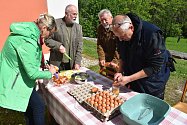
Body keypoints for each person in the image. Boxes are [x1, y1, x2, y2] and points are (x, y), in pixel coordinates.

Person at [0, 13, 57, 125]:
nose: (49, 36)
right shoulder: (28, 40)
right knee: (39, 107)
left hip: (18, 75)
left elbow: (29, 58)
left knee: (30, 108)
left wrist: (43, 64)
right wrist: (50, 73)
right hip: (16, 79)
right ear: (44, 28)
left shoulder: (29, 32)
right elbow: (31, 73)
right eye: (50, 33)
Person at [112, 13, 170, 99]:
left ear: (131, 28)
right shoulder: (121, 33)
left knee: (150, 106)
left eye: (122, 36)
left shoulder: (151, 34)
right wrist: (120, 71)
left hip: (152, 82)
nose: (120, 39)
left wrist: (129, 79)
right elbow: (122, 55)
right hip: (134, 77)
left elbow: (154, 67)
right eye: (118, 37)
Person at [45, 4, 83, 71]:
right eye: (73, 14)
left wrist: (77, 62)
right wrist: (58, 46)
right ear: (66, 14)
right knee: (56, 81)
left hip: (71, 64)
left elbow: (79, 47)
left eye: (76, 14)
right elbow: (47, 39)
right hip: (57, 63)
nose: (76, 16)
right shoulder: (56, 24)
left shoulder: (78, 27)